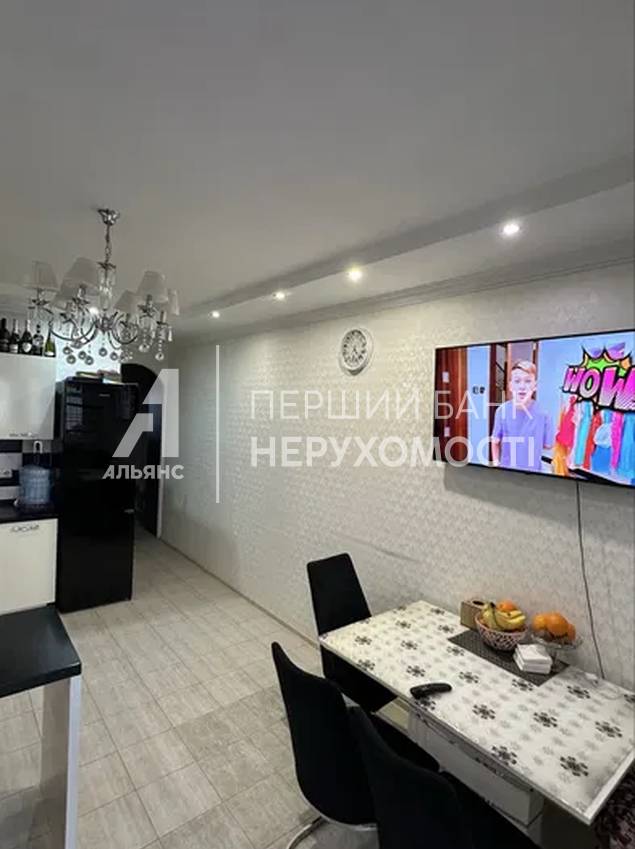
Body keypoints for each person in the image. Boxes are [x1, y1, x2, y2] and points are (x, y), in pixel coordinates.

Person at [491, 360, 554, 472]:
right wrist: (496, 464)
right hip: (507, 473)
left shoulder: (544, 414)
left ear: (535, 386)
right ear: (510, 386)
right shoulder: (502, 411)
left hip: (534, 474)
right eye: (517, 381)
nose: (522, 386)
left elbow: (548, 445)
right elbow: (495, 441)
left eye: (528, 381)